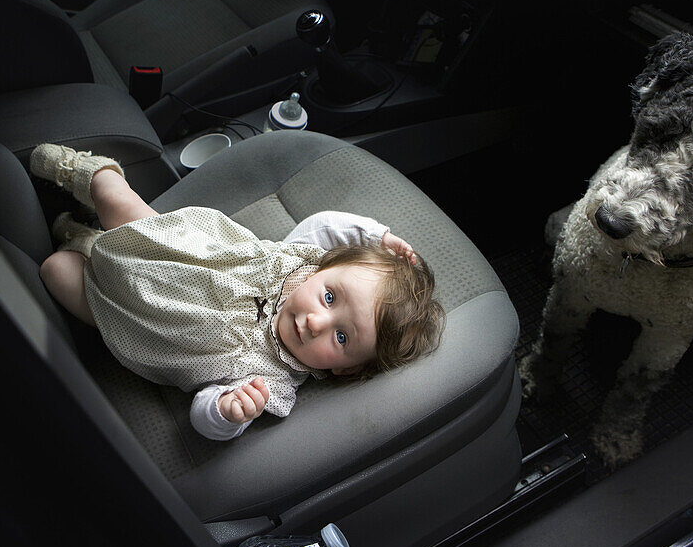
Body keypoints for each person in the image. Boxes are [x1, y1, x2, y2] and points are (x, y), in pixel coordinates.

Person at [30, 144, 445, 440]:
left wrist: (228, 413)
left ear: (346, 370)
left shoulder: (270, 384)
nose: (317, 322)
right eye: (330, 298)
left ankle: (83, 242)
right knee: (118, 202)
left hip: (129, 320)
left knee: (56, 271)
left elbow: (204, 414)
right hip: (164, 246)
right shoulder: (298, 262)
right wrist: (377, 236)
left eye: (341, 337)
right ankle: (89, 172)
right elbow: (324, 225)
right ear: (324, 269)